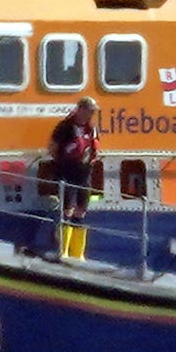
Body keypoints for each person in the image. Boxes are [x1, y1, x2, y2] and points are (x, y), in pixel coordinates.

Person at [47, 97, 100, 259]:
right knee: (67, 209)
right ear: (81, 109)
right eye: (89, 110)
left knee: (81, 210)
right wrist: (60, 163)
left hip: (84, 172)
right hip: (67, 170)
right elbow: (53, 147)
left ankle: (78, 254)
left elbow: (94, 146)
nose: (91, 114)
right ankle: (63, 251)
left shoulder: (91, 128)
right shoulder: (65, 127)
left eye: (93, 111)